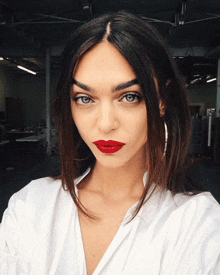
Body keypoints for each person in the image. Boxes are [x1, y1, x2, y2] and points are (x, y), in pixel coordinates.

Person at [0, 11, 220, 275]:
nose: (105, 124)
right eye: (84, 98)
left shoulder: (198, 223)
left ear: (162, 99)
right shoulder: (31, 207)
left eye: (129, 97)